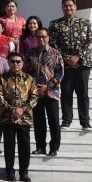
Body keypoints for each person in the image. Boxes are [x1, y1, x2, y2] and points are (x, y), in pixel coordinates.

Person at [50, 0, 92, 130]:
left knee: (83, 94)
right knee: (66, 93)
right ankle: (66, 120)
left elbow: (90, 41)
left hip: (82, 65)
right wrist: (66, 58)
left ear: (75, 7)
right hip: (64, 65)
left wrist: (78, 57)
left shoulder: (85, 23)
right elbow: (52, 43)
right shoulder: (55, 24)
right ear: (62, 7)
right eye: (65, 6)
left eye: (70, 5)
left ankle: (85, 122)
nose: (68, 8)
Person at [0, 52, 38, 182]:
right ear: (8, 63)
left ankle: (24, 172)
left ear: (22, 63)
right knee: (9, 146)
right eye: (12, 61)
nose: (15, 64)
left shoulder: (29, 79)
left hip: (24, 118)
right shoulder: (2, 78)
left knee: (24, 146)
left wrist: (22, 109)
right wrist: (11, 109)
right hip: (8, 117)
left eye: (18, 61)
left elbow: (34, 97)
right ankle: (10, 171)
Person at [24, 27, 64, 156]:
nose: (41, 39)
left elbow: (60, 72)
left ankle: (54, 147)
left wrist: (49, 86)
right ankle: (40, 146)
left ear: (48, 38)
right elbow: (26, 72)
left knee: (54, 121)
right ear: (35, 38)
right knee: (39, 122)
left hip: (51, 93)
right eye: (38, 36)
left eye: (43, 36)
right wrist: (32, 88)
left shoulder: (55, 53)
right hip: (36, 94)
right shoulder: (30, 53)